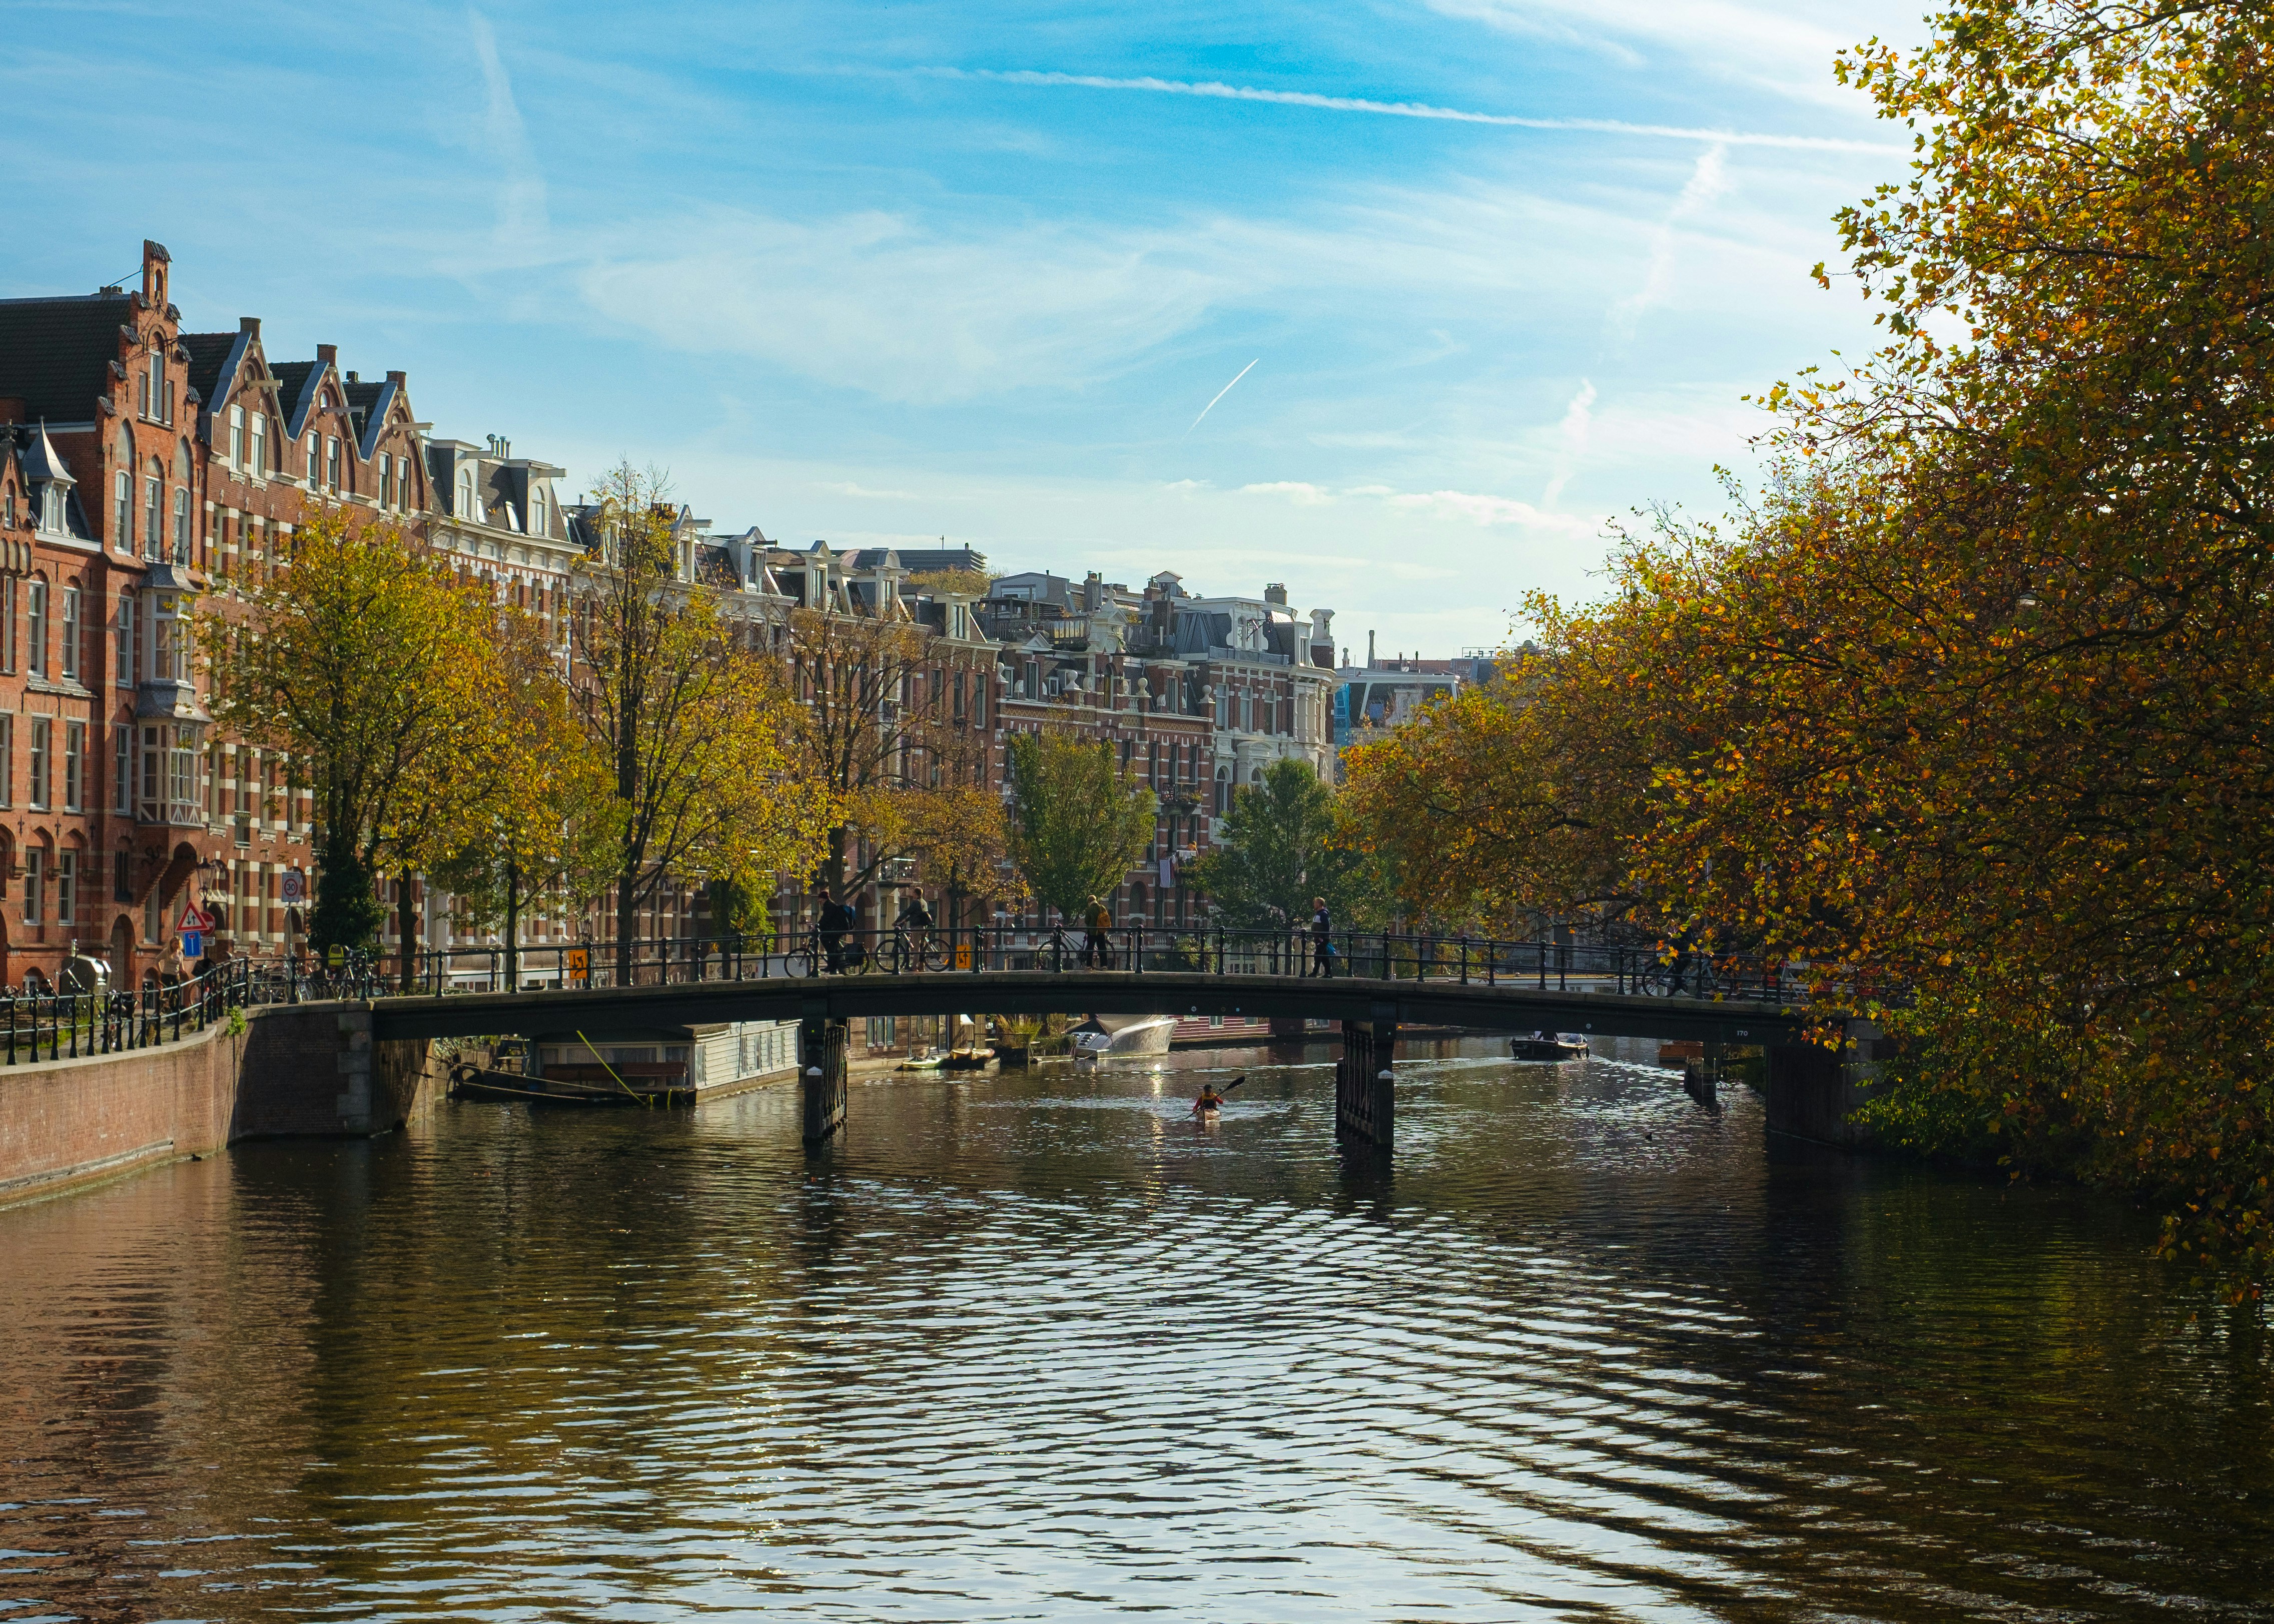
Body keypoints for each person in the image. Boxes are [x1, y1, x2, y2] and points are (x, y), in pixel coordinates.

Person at [817, 894, 858, 973]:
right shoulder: (829, 905)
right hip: (837, 928)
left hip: (838, 929)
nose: (819, 901)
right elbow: (826, 918)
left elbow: (826, 918)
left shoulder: (828, 906)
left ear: (824, 899)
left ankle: (832, 966)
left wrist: (818, 925)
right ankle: (834, 965)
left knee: (829, 946)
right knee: (831, 946)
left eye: (820, 900)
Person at [895, 893, 935, 970]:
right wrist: (904, 922)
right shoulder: (924, 902)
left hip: (916, 927)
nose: (913, 895)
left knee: (917, 949)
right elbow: (916, 915)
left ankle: (914, 967)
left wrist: (897, 921)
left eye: (914, 893)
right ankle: (921, 966)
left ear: (916, 894)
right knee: (922, 948)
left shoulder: (916, 902)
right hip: (924, 927)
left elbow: (907, 912)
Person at [1082, 895, 1114, 969]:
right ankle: (1104, 965)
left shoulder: (1089, 910)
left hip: (1092, 932)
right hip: (1101, 931)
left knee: (1090, 948)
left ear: (1089, 902)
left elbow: (1087, 921)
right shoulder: (1102, 908)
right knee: (1102, 948)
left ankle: (1089, 965)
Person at [1307, 896, 1334, 978]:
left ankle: (1314, 973)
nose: (1314, 905)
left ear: (1319, 904)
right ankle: (1329, 974)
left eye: (1315, 903)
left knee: (1318, 956)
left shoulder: (1323, 914)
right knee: (1324, 957)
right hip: (1319, 938)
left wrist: (1321, 937)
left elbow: (1326, 926)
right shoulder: (1318, 914)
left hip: (1322, 939)